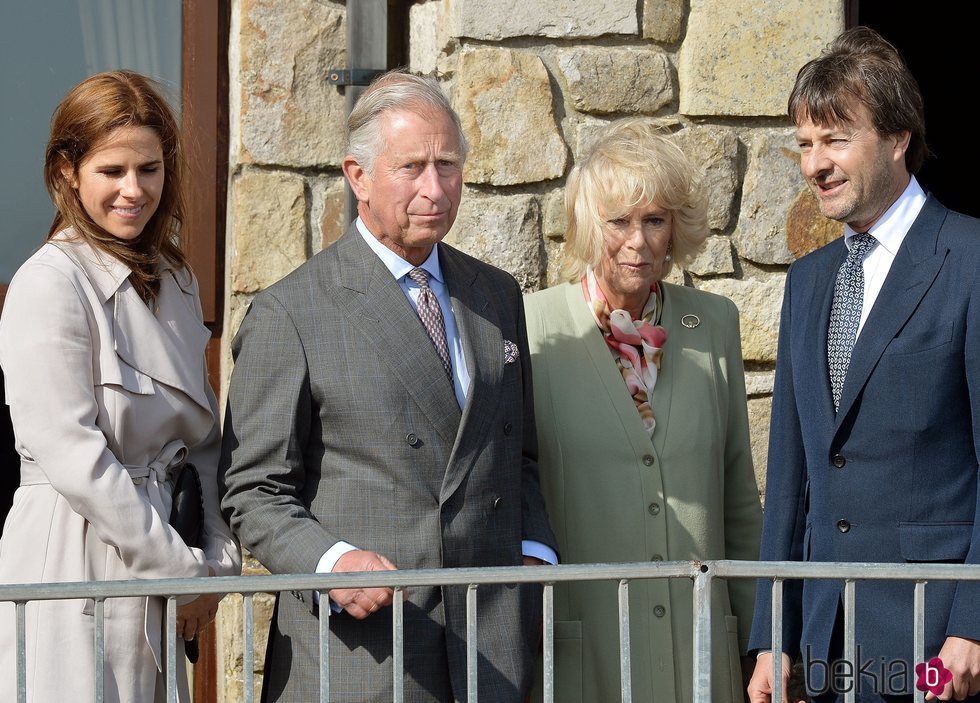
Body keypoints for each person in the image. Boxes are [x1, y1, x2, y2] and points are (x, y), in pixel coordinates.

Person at [218, 69, 558, 703]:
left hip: (493, 647)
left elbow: (517, 456)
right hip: (365, 655)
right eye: (412, 167)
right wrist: (330, 562)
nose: (435, 188)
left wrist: (534, 549)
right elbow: (252, 491)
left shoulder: (498, 295)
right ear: (358, 176)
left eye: (448, 164)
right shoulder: (290, 313)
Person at [747, 26, 980, 703]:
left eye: (835, 139)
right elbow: (791, 477)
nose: (814, 164)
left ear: (898, 137)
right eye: (804, 144)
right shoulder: (808, 281)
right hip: (825, 645)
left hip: (935, 651)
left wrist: (971, 626)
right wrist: (773, 636)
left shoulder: (969, 260)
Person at [0, 70, 242, 703]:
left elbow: (205, 443)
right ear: (67, 172)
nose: (134, 190)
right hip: (73, 562)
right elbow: (75, 457)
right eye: (112, 171)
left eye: (150, 169)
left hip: (163, 561)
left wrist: (215, 561)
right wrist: (183, 572)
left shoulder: (178, 280)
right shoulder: (49, 282)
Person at [523, 117, 763, 702]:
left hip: (701, 653)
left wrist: (762, 644)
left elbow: (738, 497)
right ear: (587, 225)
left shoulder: (712, 325)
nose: (639, 241)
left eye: (655, 220)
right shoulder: (532, 330)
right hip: (586, 656)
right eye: (619, 222)